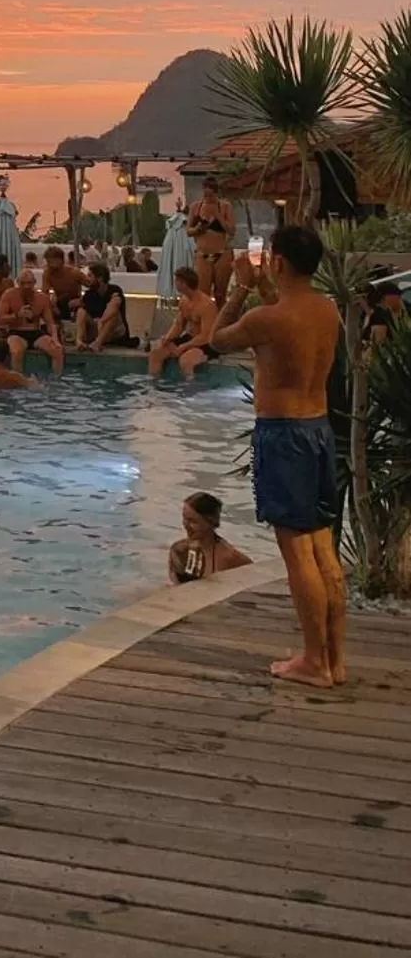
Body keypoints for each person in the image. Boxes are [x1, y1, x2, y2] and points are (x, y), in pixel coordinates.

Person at [210, 223, 345, 686]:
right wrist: (266, 286)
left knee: (296, 553)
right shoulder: (328, 311)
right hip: (319, 430)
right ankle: (334, 660)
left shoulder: (265, 320)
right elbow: (283, 311)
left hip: (283, 435)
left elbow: (217, 337)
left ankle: (312, 661)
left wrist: (238, 288)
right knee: (323, 548)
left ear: (279, 261)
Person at [148, 268, 219, 379]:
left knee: (185, 361)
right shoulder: (184, 301)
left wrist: (183, 347)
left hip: (206, 344)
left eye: (176, 281)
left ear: (183, 283)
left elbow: (206, 336)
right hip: (189, 338)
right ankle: (153, 386)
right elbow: (179, 325)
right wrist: (167, 337)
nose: (175, 283)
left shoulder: (207, 305)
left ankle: (189, 391)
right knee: (156, 354)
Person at [168, 492, 252, 584]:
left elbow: (255, 577)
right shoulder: (178, 550)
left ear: (210, 522)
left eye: (193, 521)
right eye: (184, 518)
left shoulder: (228, 557)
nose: (185, 525)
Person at [0, 264, 64, 374]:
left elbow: (50, 323)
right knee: (16, 352)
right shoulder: (9, 295)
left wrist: (55, 339)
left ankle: (56, 382)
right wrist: (16, 315)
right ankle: (18, 381)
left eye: (29, 283)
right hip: (16, 332)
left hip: (35, 332)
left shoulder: (42, 298)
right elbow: (0, 318)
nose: (26, 286)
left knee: (57, 351)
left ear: (34, 283)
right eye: (23, 283)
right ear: (18, 283)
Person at [187, 177, 235, 296]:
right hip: (203, 253)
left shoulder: (225, 206)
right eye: (205, 195)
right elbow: (188, 231)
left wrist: (217, 215)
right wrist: (198, 229)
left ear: (216, 193)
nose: (208, 198)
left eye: (211, 195)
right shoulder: (196, 207)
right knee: (203, 292)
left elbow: (232, 231)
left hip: (222, 253)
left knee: (220, 293)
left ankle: (220, 313)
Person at [75, 261, 135, 352]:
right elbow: (84, 313)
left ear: (100, 278)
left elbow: (115, 305)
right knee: (81, 311)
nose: (87, 279)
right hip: (98, 329)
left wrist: (102, 321)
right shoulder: (89, 294)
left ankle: (98, 343)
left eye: (90, 276)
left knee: (113, 314)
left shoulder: (114, 289)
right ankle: (79, 341)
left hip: (114, 331)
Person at [42, 244, 83, 321]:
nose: (48, 265)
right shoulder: (47, 273)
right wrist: (52, 306)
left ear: (60, 260)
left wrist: (82, 300)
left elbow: (92, 286)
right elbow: (45, 293)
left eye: (50, 262)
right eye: (47, 262)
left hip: (75, 302)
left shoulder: (74, 272)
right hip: (60, 303)